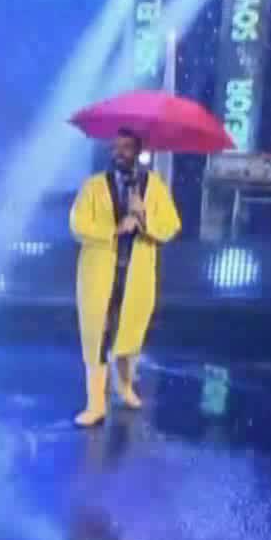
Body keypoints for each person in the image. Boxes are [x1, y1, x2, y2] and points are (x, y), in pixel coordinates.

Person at [69, 127, 181, 427]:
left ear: (137, 151)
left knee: (128, 335)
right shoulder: (94, 186)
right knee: (98, 335)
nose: (119, 152)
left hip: (136, 273)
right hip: (100, 272)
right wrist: (113, 230)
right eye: (115, 147)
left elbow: (171, 226)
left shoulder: (153, 186)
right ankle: (95, 404)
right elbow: (78, 223)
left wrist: (144, 218)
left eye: (126, 147)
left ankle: (125, 387)